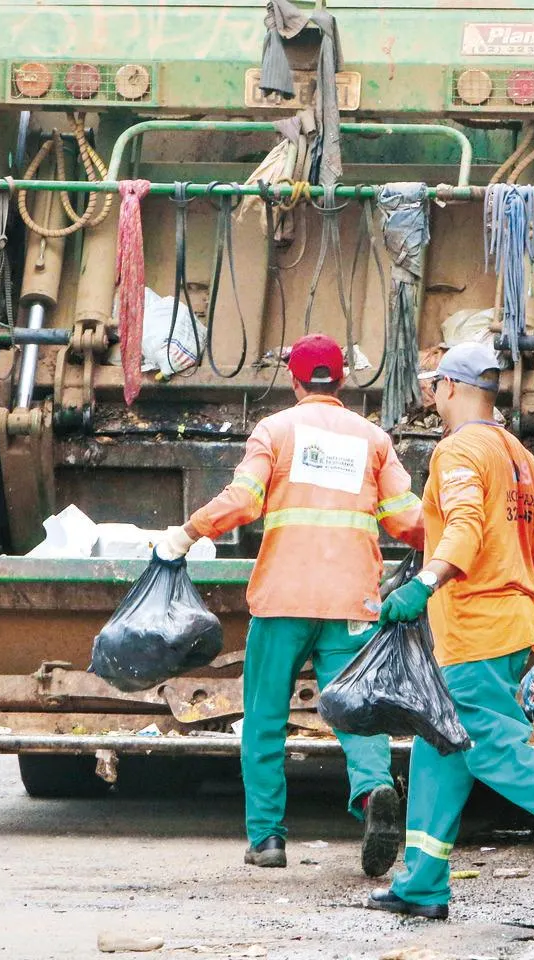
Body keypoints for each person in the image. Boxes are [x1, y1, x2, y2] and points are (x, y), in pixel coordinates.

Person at [362, 342, 534, 922]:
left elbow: (462, 527)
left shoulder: (459, 452)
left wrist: (425, 582)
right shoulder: (517, 454)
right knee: (439, 747)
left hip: (474, 630)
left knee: (497, 753)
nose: (432, 394)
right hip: (508, 626)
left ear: (454, 388)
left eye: (435, 384)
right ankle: (421, 885)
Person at [156, 333, 424, 877]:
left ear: (295, 380)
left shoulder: (275, 431)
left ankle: (268, 839)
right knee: (358, 709)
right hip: (354, 599)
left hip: (284, 598)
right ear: (342, 380)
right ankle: (375, 794)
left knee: (265, 719)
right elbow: (405, 519)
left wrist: (187, 533)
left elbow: (245, 500)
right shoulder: (373, 438)